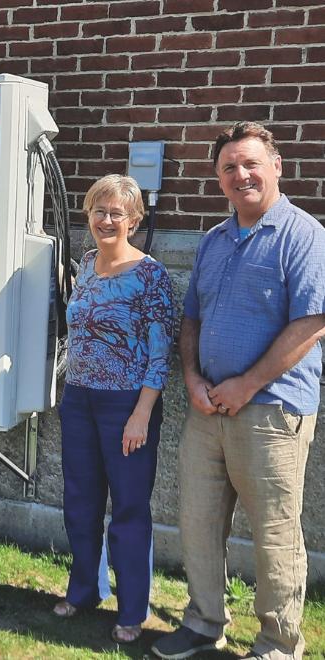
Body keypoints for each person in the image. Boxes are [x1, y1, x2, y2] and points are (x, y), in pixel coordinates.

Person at [152, 122, 325, 660]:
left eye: (250, 163)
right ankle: (204, 623)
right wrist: (193, 381)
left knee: (274, 532)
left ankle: (278, 642)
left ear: (276, 167)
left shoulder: (304, 235)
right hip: (208, 410)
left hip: (271, 410)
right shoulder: (214, 239)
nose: (240, 174)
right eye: (229, 168)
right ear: (219, 181)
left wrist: (247, 385)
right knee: (198, 521)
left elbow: (312, 322)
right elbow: (191, 320)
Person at [54, 174, 175, 644]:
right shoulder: (85, 265)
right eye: (99, 211)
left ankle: (131, 609)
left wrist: (142, 412)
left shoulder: (150, 275)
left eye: (117, 213)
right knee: (80, 503)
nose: (107, 220)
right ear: (88, 216)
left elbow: (160, 351)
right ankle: (85, 589)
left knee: (127, 508)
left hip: (127, 403)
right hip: (79, 399)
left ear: (135, 220)